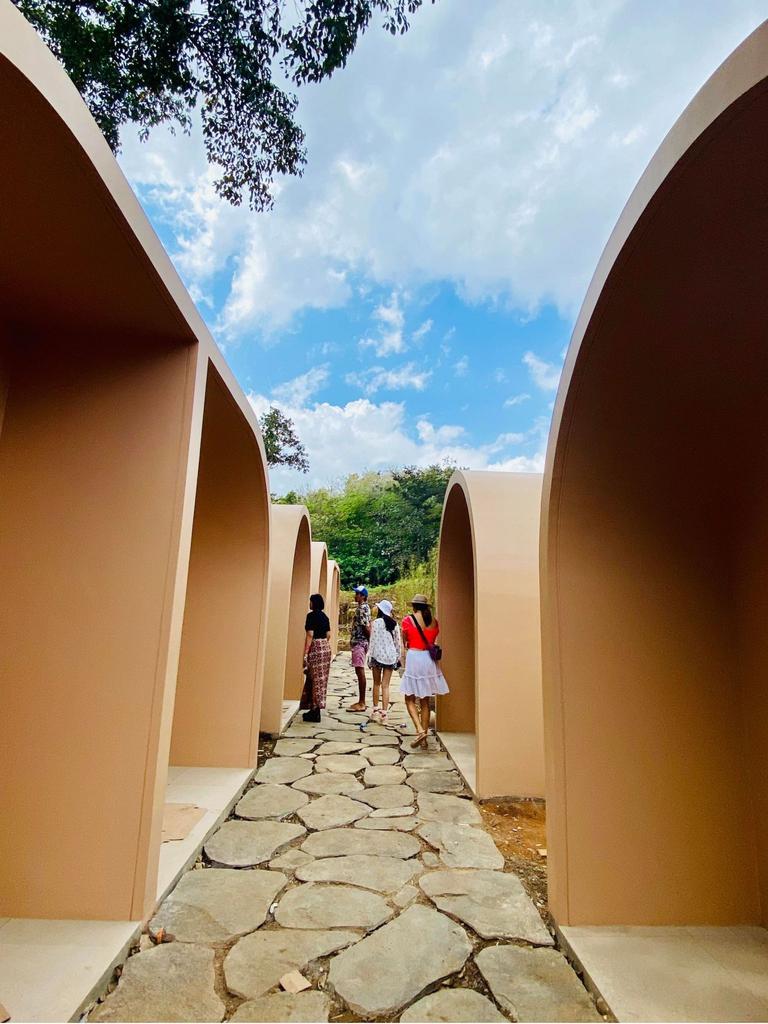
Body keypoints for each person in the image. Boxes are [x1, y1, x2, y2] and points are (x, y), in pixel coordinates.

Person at [400, 593, 448, 748]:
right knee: (425, 700)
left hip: (415, 657)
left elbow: (405, 639)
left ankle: (420, 730)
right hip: (429, 659)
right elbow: (433, 638)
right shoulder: (434, 622)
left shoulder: (408, 620)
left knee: (409, 698)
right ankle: (425, 740)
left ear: (414, 606)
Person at [367, 599, 401, 723]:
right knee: (385, 686)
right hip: (390, 657)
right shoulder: (395, 624)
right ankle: (384, 715)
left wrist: (369, 656)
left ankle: (375, 711)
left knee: (376, 683)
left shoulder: (376, 623)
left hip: (377, 656)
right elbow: (398, 642)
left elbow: (373, 640)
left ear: (380, 610)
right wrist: (398, 657)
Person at [301, 593, 332, 722]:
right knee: (321, 680)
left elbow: (310, 635)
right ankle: (316, 707)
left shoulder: (311, 616)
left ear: (314, 603)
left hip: (316, 647)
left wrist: (305, 654)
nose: (309, 604)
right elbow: (329, 634)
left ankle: (315, 710)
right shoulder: (325, 617)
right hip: (325, 647)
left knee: (314, 678)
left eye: (311, 601)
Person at [348, 584, 371, 712]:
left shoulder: (361, 609)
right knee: (359, 670)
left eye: (357, 594)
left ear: (363, 596)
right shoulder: (365, 607)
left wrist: (369, 640)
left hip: (359, 642)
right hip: (361, 642)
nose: (355, 595)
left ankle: (362, 702)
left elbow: (365, 627)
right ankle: (361, 701)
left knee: (360, 670)